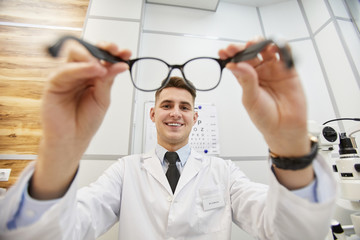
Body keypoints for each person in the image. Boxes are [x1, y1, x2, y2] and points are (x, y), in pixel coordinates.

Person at [0, 38, 336, 240]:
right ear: (153, 114)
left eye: (184, 107)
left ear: (194, 117)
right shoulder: (125, 171)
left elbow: (291, 233)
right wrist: (60, 150)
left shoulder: (225, 172)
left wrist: (290, 146)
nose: (175, 112)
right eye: (167, 105)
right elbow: (56, 232)